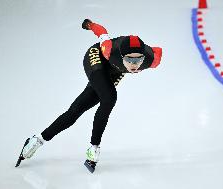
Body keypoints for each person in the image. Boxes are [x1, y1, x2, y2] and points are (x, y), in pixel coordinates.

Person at [16, 19, 162, 172]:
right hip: (96, 58)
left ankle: (37, 140)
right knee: (109, 98)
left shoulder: (152, 58)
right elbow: (102, 32)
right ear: (121, 55)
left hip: (114, 71)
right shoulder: (109, 48)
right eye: (129, 59)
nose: (134, 64)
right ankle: (94, 148)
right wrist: (90, 25)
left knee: (76, 110)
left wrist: (126, 64)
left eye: (138, 59)